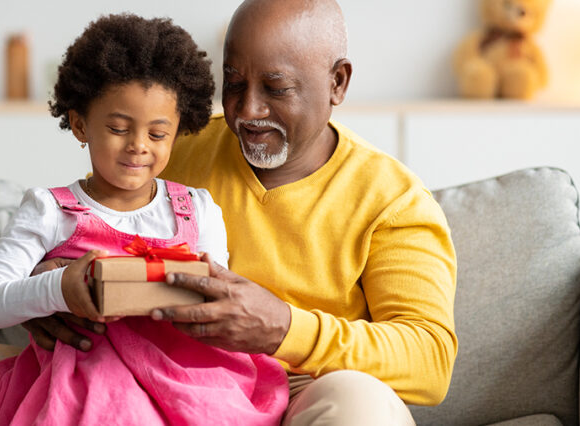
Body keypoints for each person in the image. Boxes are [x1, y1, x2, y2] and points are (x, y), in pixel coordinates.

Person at [26, 0, 458, 425]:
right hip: (177, 379)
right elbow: (81, 225)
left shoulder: (393, 198)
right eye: (233, 83)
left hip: (311, 388)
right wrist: (48, 284)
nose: (248, 111)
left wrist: (282, 329)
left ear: (337, 82)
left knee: (358, 401)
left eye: (277, 87)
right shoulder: (173, 150)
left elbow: (429, 358)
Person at [0, 13, 288, 425]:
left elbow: (216, 292)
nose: (137, 147)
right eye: (117, 127)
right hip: (93, 375)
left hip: (190, 375)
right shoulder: (50, 210)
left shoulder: (197, 207)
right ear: (80, 124)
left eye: (157, 134)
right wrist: (58, 288)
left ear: (179, 132)